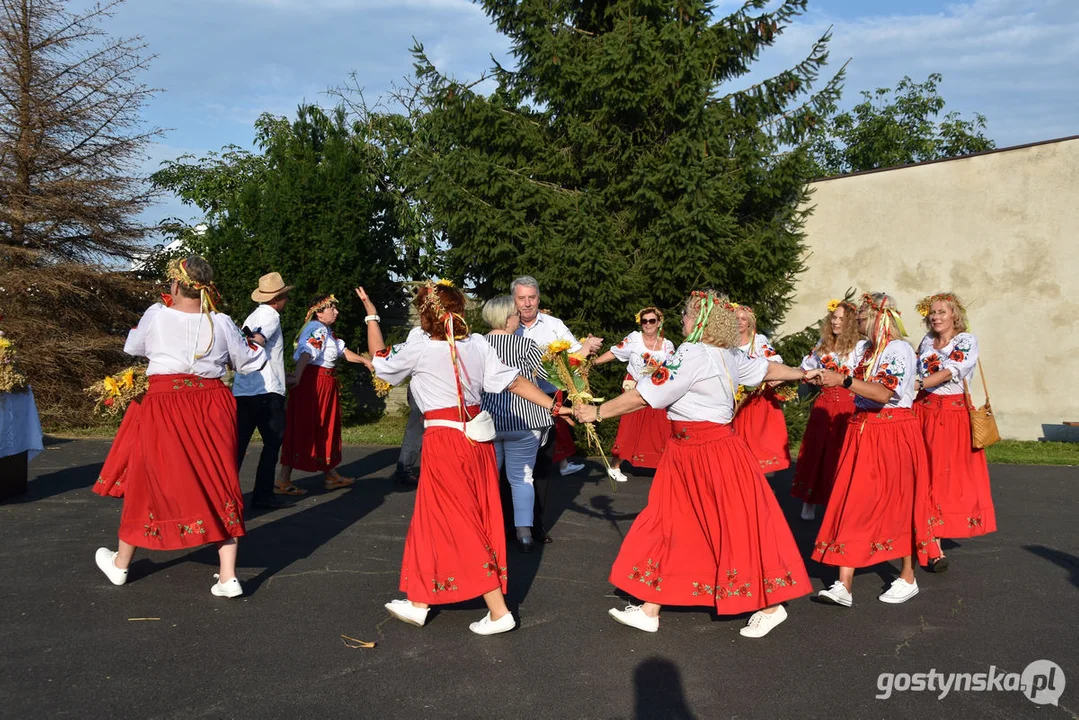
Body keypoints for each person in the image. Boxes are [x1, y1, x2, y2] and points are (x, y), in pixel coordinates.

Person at [574, 291, 816, 638]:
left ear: (700, 321)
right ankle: (650, 608)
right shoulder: (726, 353)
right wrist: (803, 374)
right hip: (694, 451)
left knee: (728, 526)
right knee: (672, 522)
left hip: (708, 452)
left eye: (687, 315)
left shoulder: (693, 353)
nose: (683, 321)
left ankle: (771, 605)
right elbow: (766, 368)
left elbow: (644, 396)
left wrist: (596, 411)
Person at [363, 281, 570, 635]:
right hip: (476, 439)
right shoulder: (477, 344)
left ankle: (499, 610)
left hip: (445, 440)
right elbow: (514, 382)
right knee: (434, 518)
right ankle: (419, 601)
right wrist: (554, 405)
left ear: (426, 314)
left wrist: (371, 316)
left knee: (459, 521)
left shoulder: (422, 348)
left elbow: (380, 363)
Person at [93, 256, 266, 598]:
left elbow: (134, 347)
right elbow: (248, 362)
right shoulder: (222, 321)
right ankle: (228, 576)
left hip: (165, 402)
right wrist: (256, 342)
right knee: (218, 480)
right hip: (212, 403)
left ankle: (121, 565)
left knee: (148, 477)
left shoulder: (157, 314)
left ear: (175, 285)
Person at [811, 292, 937, 607]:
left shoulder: (898, 349)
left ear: (880, 318)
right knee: (852, 501)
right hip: (864, 429)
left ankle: (908, 576)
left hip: (892, 430)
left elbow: (882, 393)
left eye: (864, 318)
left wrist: (842, 380)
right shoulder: (869, 349)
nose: (858, 323)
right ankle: (844, 584)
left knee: (898, 502)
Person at [511, 275, 602, 541]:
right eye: (522, 298)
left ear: (539, 298)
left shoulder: (553, 325)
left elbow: (574, 358)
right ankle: (511, 525)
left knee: (541, 469)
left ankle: (535, 525)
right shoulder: (506, 327)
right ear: (514, 300)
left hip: (547, 404)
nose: (527, 304)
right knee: (512, 471)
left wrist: (585, 348)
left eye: (532, 297)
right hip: (512, 405)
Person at [914, 292, 996, 572]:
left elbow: (950, 372)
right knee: (922, 474)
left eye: (941, 312)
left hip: (952, 414)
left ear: (954, 315)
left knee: (944, 478)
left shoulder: (965, 341)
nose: (936, 317)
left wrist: (918, 384)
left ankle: (932, 539)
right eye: (932, 313)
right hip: (923, 410)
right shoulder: (926, 341)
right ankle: (929, 540)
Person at [276, 292, 368, 494]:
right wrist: (299, 377)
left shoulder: (326, 331)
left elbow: (343, 351)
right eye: (331, 308)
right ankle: (283, 479)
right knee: (306, 427)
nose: (336, 311)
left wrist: (365, 361)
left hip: (324, 382)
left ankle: (330, 474)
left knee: (325, 427)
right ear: (318, 313)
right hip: (314, 384)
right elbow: (307, 353)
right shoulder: (316, 329)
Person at [481, 295, 552, 552]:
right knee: (522, 478)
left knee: (490, 479)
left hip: (488, 420)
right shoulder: (525, 345)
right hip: (524, 421)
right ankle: (524, 532)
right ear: (507, 318)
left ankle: (488, 529)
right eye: (514, 314)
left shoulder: (477, 345)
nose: (518, 318)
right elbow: (547, 377)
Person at [789, 299, 866, 520]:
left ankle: (838, 503)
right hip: (824, 403)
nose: (836, 321)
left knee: (841, 453)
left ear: (851, 322)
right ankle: (809, 501)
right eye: (834, 317)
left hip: (849, 405)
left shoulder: (860, 347)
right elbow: (807, 370)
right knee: (817, 450)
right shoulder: (823, 343)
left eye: (842, 318)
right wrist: (814, 378)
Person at [592, 306, 675, 482]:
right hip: (635, 387)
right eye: (644, 321)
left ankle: (664, 465)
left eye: (652, 321)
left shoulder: (667, 345)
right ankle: (615, 465)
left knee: (661, 427)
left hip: (657, 389)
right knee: (630, 425)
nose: (648, 324)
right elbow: (615, 352)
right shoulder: (634, 339)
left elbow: (673, 368)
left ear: (659, 323)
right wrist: (593, 363)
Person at [233, 272, 293, 512]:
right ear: (276, 299)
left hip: (245, 389)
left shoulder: (252, 315)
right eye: (284, 297)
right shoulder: (270, 316)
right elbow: (257, 341)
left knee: (238, 445)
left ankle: (225, 496)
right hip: (267, 391)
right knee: (271, 443)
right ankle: (263, 495)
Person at [731, 305, 791, 472]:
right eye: (736, 318)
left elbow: (773, 360)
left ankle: (754, 477)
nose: (739, 322)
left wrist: (775, 377)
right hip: (733, 400)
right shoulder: (727, 341)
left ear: (750, 323)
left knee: (756, 441)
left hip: (755, 399)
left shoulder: (758, 341)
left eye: (743, 319)